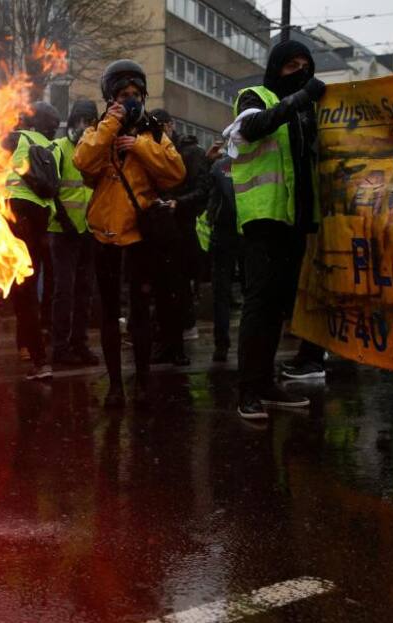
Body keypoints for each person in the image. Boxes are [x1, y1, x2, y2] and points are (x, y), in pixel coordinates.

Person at [73, 60, 187, 409]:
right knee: (109, 312)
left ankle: (142, 382)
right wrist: (112, 125)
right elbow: (83, 160)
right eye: (124, 95)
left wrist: (138, 146)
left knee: (140, 310)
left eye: (137, 94)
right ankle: (115, 386)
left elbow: (175, 172)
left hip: (140, 235)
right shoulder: (99, 129)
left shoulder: (153, 133)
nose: (132, 99)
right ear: (111, 97)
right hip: (105, 233)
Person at [227, 40, 327, 420]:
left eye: (306, 65)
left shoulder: (308, 112)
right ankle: (248, 390)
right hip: (264, 219)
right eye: (291, 65)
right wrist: (300, 98)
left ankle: (265, 383)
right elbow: (252, 128)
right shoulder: (255, 96)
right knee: (259, 305)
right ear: (276, 69)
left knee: (278, 310)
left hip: (296, 222)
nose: (300, 71)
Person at [0, 101, 61, 380]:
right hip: (39, 220)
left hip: (10, 212)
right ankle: (39, 361)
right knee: (27, 291)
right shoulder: (54, 148)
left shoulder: (17, 137)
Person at [154, 116, 211, 362]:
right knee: (163, 290)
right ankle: (167, 343)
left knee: (177, 289)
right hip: (161, 229)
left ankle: (177, 344)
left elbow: (201, 189)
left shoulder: (189, 152)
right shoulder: (156, 150)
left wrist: (179, 203)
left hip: (182, 229)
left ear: (169, 126)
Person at [49, 100, 100, 368]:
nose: (85, 125)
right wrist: (63, 217)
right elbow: (50, 188)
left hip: (88, 230)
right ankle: (60, 347)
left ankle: (79, 344)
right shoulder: (59, 149)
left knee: (84, 291)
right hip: (63, 230)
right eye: (81, 120)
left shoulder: (94, 151)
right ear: (72, 121)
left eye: (90, 120)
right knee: (64, 291)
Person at [205, 143, 239, 362]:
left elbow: (211, 200)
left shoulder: (219, 167)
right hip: (248, 231)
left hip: (223, 233)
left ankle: (221, 344)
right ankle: (252, 342)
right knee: (253, 291)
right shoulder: (255, 163)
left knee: (221, 292)